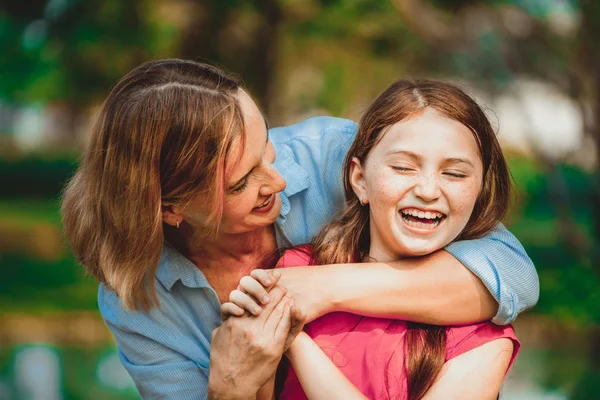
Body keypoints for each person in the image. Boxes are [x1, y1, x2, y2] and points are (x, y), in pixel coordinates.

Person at [60, 59, 538, 399]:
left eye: (266, 147)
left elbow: (512, 277)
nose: (278, 179)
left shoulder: (330, 156)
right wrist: (229, 387)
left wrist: (318, 288)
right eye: (243, 181)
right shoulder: (140, 302)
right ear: (171, 209)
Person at [224, 79, 521, 399]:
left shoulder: (485, 335)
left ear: (479, 192)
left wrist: (296, 344)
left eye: (455, 174)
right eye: (404, 167)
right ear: (360, 180)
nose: (428, 190)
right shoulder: (295, 269)